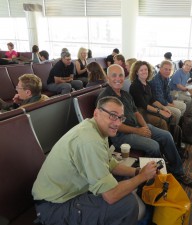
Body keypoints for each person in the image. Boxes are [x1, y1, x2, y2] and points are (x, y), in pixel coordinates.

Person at [32, 96, 158, 225]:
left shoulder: (96, 129)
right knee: (127, 204)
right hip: (54, 207)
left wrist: (137, 172)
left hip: (69, 193)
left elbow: (110, 164)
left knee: (123, 180)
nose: (118, 123)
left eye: (121, 118)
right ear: (96, 113)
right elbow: (111, 196)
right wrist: (143, 176)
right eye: (113, 116)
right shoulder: (90, 141)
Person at [97, 64, 192, 187]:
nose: (118, 78)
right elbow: (112, 126)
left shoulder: (125, 94)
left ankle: (178, 171)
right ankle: (157, 178)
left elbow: (137, 113)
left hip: (137, 127)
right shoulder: (105, 98)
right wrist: (138, 131)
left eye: (121, 75)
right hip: (121, 136)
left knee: (166, 135)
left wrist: (145, 127)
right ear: (107, 78)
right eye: (114, 75)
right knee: (154, 146)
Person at [129, 60, 172, 131]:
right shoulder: (135, 86)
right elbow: (144, 105)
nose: (144, 72)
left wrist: (163, 107)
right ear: (136, 72)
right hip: (140, 113)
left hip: (148, 109)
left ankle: (171, 137)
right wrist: (159, 111)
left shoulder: (147, 84)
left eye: (146, 70)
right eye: (141, 70)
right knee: (162, 122)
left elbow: (152, 99)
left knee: (171, 116)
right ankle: (164, 140)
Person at [150, 60, 186, 125]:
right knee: (177, 112)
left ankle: (178, 124)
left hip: (164, 101)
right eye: (165, 69)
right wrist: (171, 105)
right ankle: (173, 128)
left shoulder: (166, 78)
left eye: (169, 69)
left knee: (183, 106)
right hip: (157, 104)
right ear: (160, 69)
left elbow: (167, 93)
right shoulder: (156, 80)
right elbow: (159, 99)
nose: (168, 71)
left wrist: (171, 102)